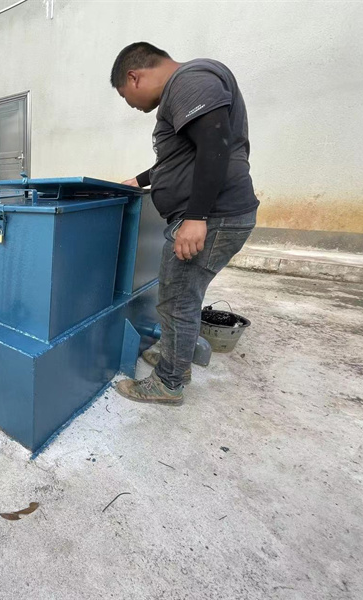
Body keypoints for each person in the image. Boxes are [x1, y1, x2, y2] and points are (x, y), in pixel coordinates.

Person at [111, 42, 259, 406]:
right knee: (185, 296)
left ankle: (168, 382)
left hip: (213, 215)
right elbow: (184, 155)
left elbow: (214, 146)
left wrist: (196, 217)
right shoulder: (188, 86)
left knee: (177, 301)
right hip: (218, 214)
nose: (131, 105)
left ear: (134, 76)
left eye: (126, 96)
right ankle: (177, 358)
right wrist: (140, 180)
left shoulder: (189, 81)